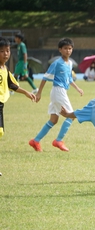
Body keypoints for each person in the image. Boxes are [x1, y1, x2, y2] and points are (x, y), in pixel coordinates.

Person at [29, 38, 84, 152]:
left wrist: (77, 88)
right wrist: (39, 93)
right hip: (58, 91)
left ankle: (36, 140)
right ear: (60, 50)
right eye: (65, 48)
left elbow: (69, 79)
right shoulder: (57, 63)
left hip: (60, 91)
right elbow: (45, 77)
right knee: (72, 116)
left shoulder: (69, 64)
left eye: (70, 48)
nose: (68, 51)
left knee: (53, 120)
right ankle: (58, 140)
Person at [0, 37, 36, 176]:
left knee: (1, 132)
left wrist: (26, 92)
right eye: (2, 51)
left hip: (1, 106)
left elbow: (12, 85)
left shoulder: (5, 69)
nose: (6, 54)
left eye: (7, 51)